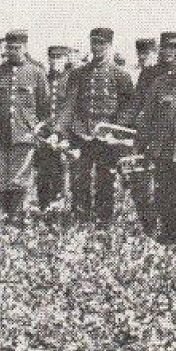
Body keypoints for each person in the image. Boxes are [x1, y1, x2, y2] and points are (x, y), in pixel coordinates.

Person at [62, 26, 135, 223]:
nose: (98, 47)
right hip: (82, 134)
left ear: (110, 46)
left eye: (102, 44)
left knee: (105, 179)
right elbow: (69, 104)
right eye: (94, 43)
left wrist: (115, 130)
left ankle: (104, 220)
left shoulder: (121, 75)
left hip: (107, 137)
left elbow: (129, 106)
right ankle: (80, 217)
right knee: (79, 178)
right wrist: (65, 131)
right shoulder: (78, 73)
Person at [0, 29, 51, 217]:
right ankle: (0, 216)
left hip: (24, 134)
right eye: (10, 48)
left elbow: (45, 109)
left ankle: (16, 218)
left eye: (17, 48)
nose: (13, 51)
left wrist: (37, 129)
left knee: (19, 179)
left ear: (25, 47)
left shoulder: (37, 73)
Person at [135, 33, 176, 250]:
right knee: (165, 192)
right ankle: (169, 232)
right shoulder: (160, 83)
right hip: (165, 149)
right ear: (170, 59)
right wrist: (140, 144)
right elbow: (147, 117)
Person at [34, 44, 74, 212]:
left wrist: (60, 132)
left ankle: (60, 205)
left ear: (66, 59)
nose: (55, 61)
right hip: (45, 133)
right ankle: (44, 205)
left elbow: (71, 108)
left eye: (59, 58)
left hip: (65, 133)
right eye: (53, 58)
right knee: (44, 170)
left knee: (63, 169)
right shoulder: (43, 78)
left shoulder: (72, 80)